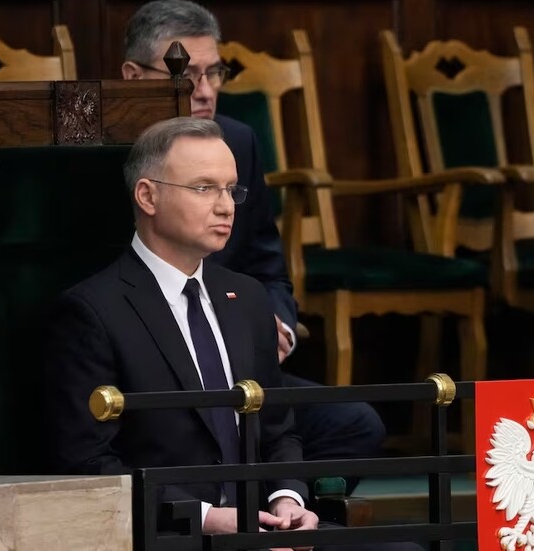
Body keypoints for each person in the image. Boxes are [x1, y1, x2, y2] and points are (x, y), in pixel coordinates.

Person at [44, 117, 418, 551]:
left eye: (231, 189)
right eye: (204, 188)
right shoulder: (91, 312)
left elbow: (278, 431)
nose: (226, 207)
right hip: (173, 535)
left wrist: (287, 499)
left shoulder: (248, 297)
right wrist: (207, 518)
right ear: (147, 196)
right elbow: (88, 464)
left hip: (263, 529)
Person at [121, 0, 384, 485]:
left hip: (238, 367)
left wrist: (276, 323)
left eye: (214, 72)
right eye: (185, 74)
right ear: (134, 77)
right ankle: (226, 512)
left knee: (355, 423)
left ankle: (284, 511)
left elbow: (268, 267)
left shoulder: (237, 142)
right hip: (156, 375)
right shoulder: (108, 153)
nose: (204, 90)